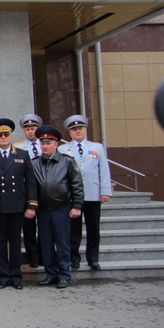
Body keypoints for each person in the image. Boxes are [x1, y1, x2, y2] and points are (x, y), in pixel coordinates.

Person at [0, 118, 38, 290]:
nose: (3, 138)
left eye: (6, 135)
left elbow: (30, 181)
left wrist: (31, 205)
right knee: (0, 242)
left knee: (15, 242)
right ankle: (3, 276)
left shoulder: (22, 154)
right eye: (0, 135)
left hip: (16, 205)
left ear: (11, 136)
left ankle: (16, 276)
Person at [32, 125, 84, 289]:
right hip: (43, 210)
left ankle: (64, 274)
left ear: (56, 144)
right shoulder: (35, 163)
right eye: (43, 144)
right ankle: (51, 274)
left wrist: (77, 206)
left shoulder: (67, 161)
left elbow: (77, 185)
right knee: (46, 243)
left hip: (61, 208)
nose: (45, 147)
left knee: (62, 243)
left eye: (48, 143)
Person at [59, 115, 112, 271]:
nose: (78, 131)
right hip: (72, 196)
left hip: (92, 193)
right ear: (70, 132)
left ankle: (93, 259)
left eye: (80, 129)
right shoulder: (63, 149)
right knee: (73, 229)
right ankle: (74, 258)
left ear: (85, 130)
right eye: (74, 129)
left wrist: (105, 191)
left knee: (93, 228)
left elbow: (103, 170)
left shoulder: (97, 148)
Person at [13, 113, 43, 268]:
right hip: (27, 192)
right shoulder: (18, 148)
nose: (31, 132)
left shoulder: (46, 145)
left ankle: (45, 255)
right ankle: (33, 257)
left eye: (33, 129)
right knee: (29, 229)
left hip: (45, 192)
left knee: (45, 227)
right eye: (28, 129)